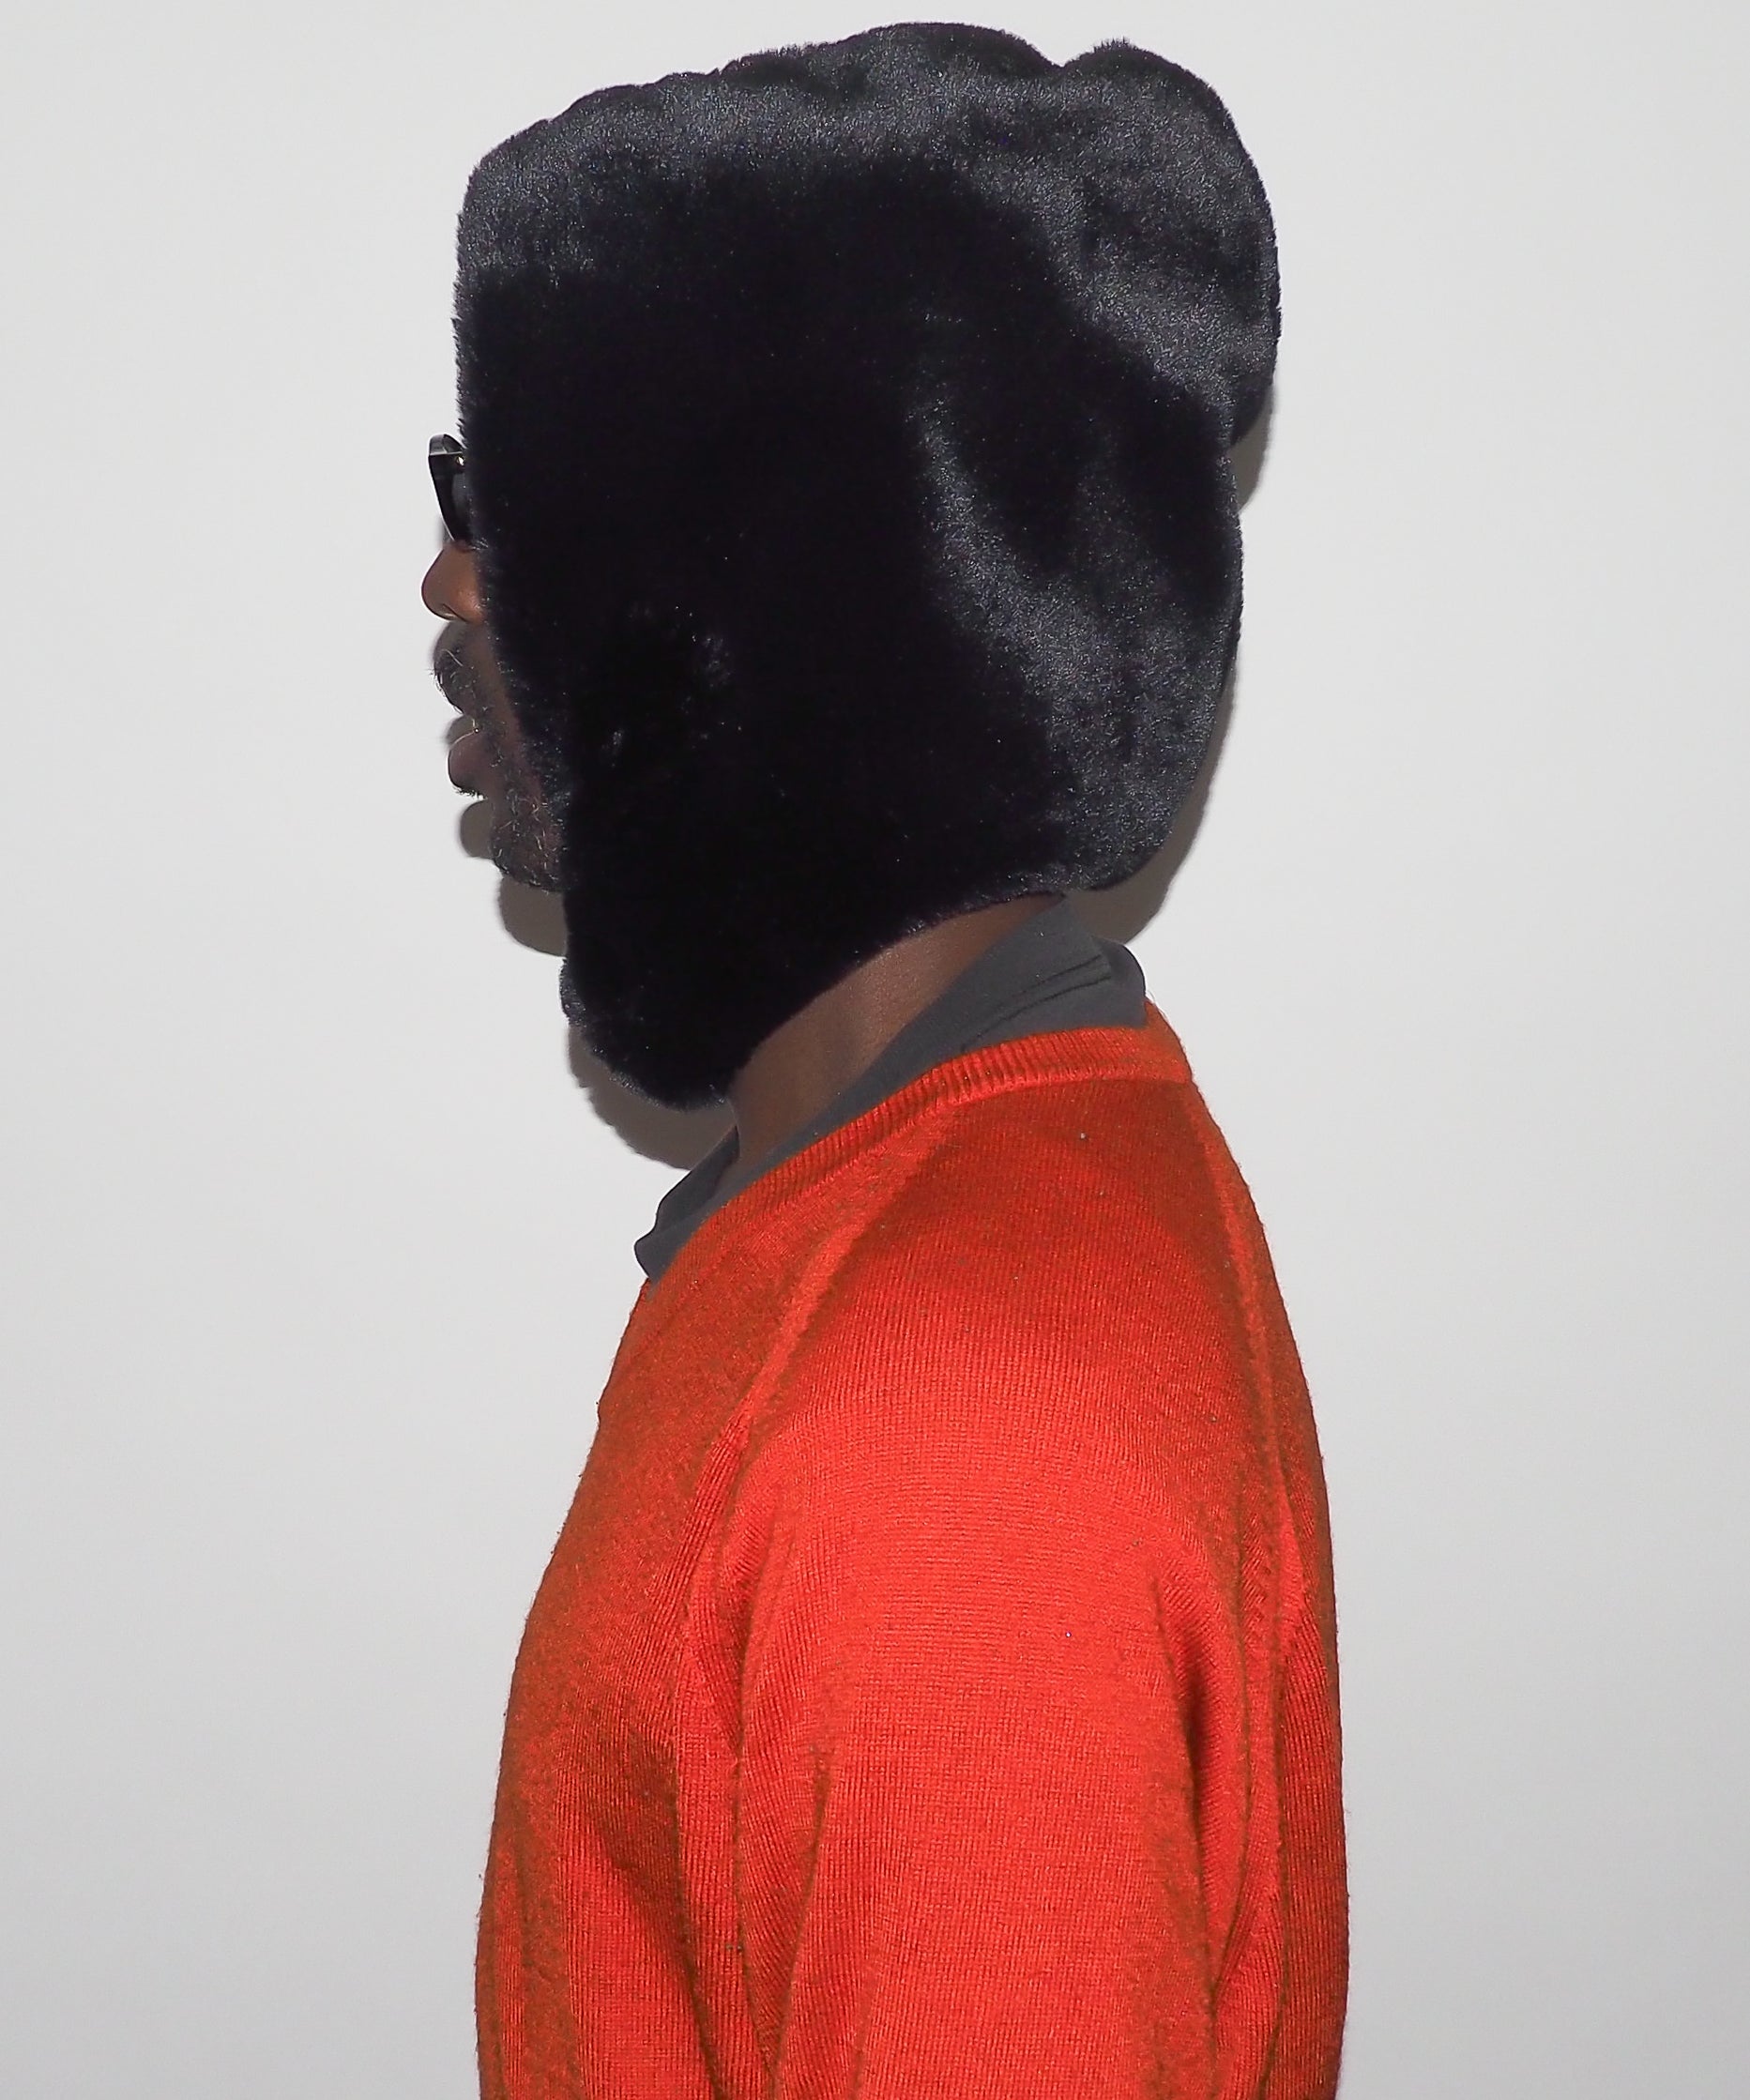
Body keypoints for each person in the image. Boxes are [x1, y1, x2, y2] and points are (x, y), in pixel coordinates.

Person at [420, 25, 1346, 2099]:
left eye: (518, 510)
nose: (452, 580)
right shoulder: (929, 1209)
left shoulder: (954, 1406)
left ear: (786, 597)